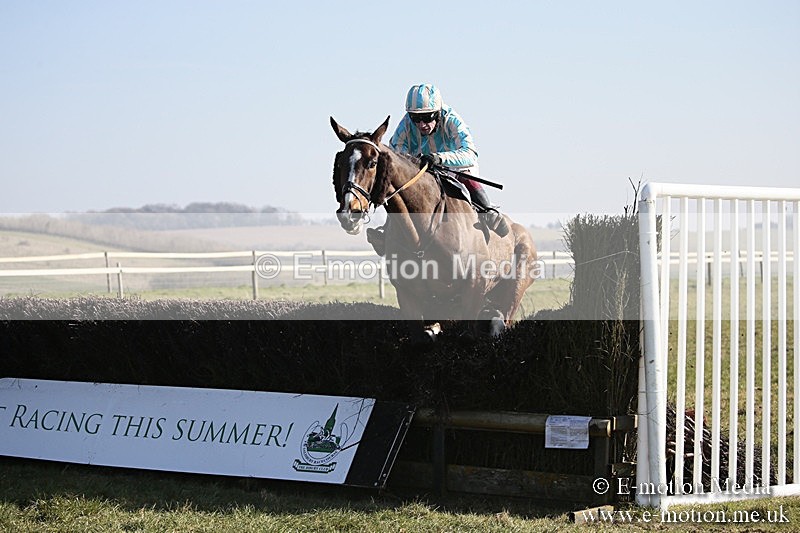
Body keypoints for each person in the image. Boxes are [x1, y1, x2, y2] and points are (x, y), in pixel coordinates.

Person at [367, 84, 506, 255]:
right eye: (415, 118)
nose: (421, 124)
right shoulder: (406, 124)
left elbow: (470, 153)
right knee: (400, 188)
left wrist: (439, 157)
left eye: (427, 117)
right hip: (425, 169)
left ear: (438, 112)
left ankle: (488, 211)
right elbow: (396, 156)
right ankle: (389, 229)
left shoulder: (452, 119)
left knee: (466, 176)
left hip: (456, 167)